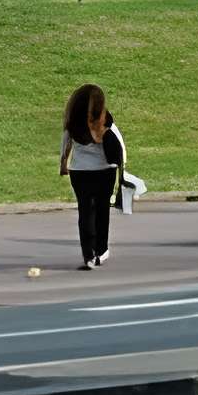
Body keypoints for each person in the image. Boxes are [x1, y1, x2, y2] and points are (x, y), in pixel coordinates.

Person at [59, 83, 126, 270]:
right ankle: (101, 250)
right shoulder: (106, 120)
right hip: (105, 171)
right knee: (102, 210)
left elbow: (65, 142)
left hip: (80, 172)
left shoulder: (73, 122)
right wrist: (123, 171)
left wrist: (63, 164)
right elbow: (120, 145)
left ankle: (88, 254)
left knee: (85, 212)